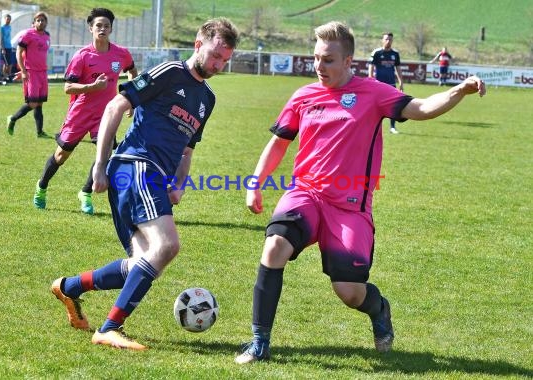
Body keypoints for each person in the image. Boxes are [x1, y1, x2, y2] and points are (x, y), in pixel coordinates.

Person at [235, 21, 486, 364]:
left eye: (328, 60)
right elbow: (279, 143)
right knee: (274, 246)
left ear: (349, 61)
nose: (319, 67)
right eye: (316, 59)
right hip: (305, 194)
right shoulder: (303, 96)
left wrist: (459, 90)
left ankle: (379, 307)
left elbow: (422, 109)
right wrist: (255, 183)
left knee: (349, 291)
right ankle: (259, 343)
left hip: (349, 209)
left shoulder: (374, 93)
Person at [51, 17, 239, 350]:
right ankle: (109, 328)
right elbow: (115, 106)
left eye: (224, 60)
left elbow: (186, 149)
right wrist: (99, 165)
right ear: (199, 44)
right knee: (167, 246)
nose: (218, 64)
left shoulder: (206, 99)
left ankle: (70, 287)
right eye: (215, 55)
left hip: (152, 176)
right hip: (136, 165)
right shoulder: (170, 72)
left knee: (141, 263)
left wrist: (179, 184)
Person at [32, 8, 138, 215]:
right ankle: (42, 186)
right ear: (91, 28)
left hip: (105, 114)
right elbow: (67, 87)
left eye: (106, 26)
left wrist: (131, 99)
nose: (102, 29)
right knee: (62, 155)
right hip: (80, 113)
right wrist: (91, 87)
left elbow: (133, 72)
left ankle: (85, 192)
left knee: (106, 154)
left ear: (111, 29)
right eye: (98, 25)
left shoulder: (121, 54)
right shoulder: (82, 56)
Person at [6, 12, 50, 138]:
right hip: (32, 73)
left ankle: (40, 132)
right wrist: (24, 71)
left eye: (43, 20)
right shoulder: (28, 34)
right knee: (33, 103)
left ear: (46, 23)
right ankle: (12, 118)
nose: (41, 22)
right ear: (34, 22)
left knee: (40, 103)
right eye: (38, 20)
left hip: (43, 73)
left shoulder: (47, 36)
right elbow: (19, 52)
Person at [368, 32, 404, 134]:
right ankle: (371, 126)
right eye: (386, 39)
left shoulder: (395, 54)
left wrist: (401, 82)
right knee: (373, 106)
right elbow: (371, 66)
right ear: (382, 40)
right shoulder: (376, 53)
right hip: (378, 84)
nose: (388, 41)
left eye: (390, 39)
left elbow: (398, 68)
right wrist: (370, 79)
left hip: (391, 84)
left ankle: (392, 127)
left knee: (394, 106)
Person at [0, 14, 13, 82]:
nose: (8, 20)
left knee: (10, 63)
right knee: (6, 63)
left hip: (9, 46)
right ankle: (4, 76)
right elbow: (1, 38)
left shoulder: (10, 27)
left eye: (9, 19)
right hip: (4, 47)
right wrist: (3, 48)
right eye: (7, 19)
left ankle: (9, 76)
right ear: (5, 19)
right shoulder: (2, 27)